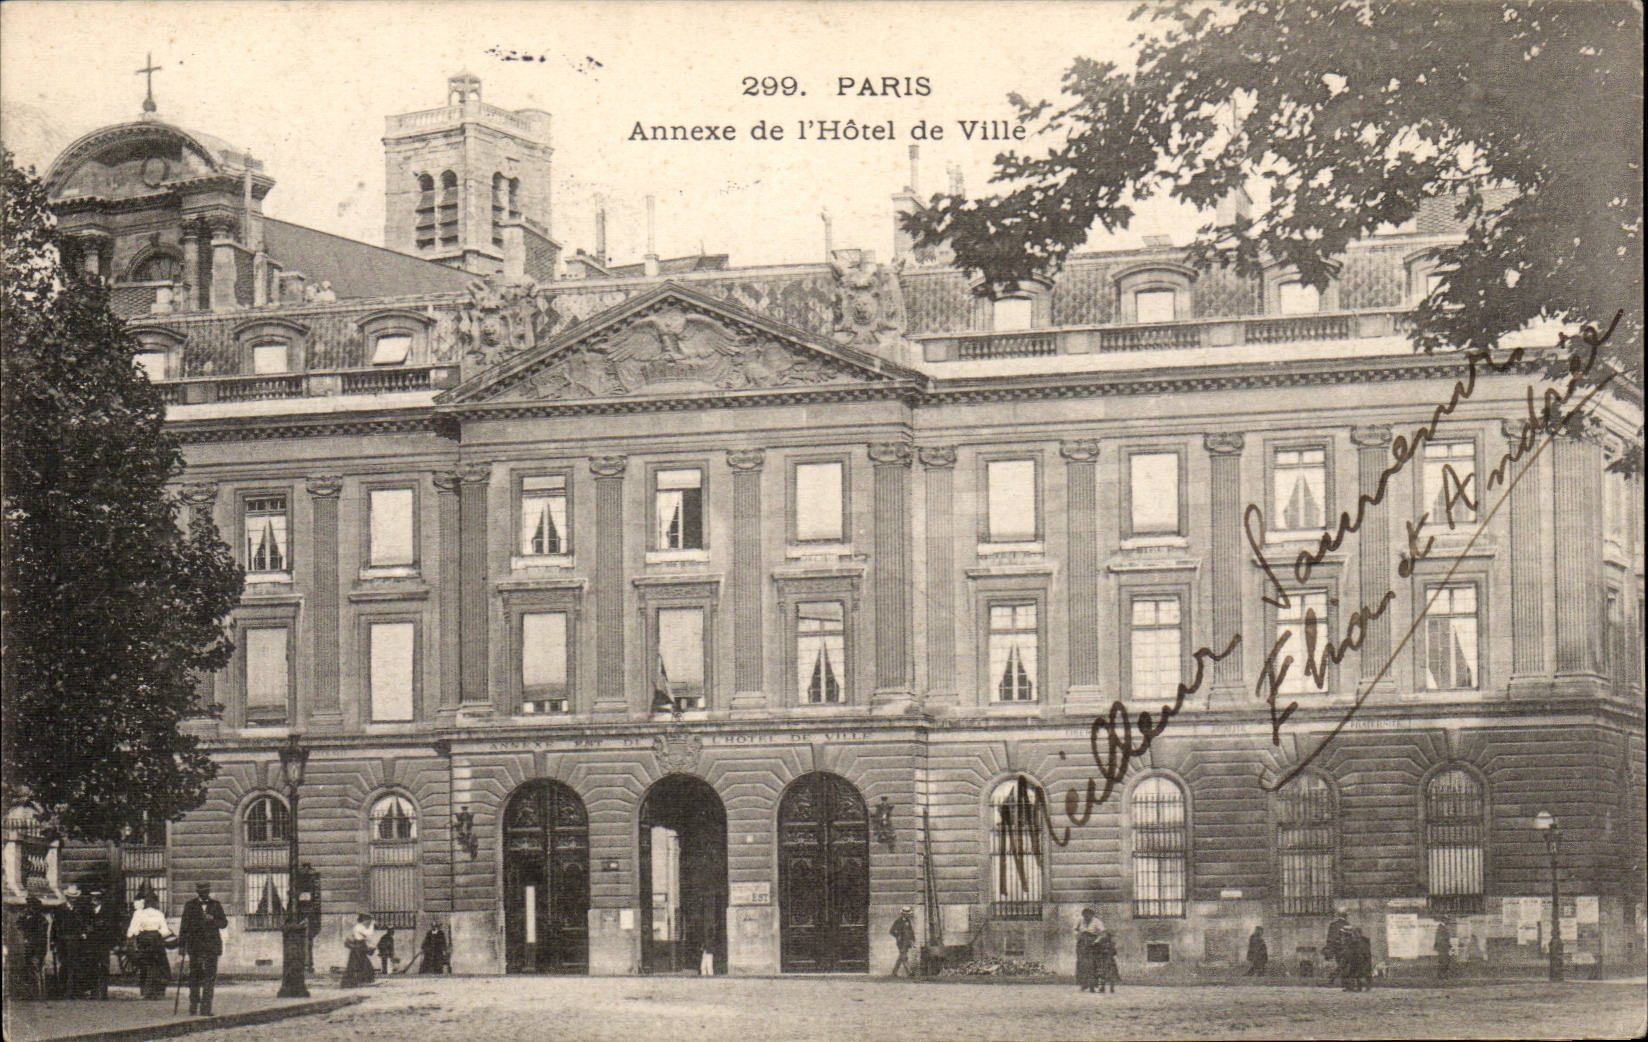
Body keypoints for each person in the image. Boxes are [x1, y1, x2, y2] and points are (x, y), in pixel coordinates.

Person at [179, 882, 228, 1016]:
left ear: (209, 891)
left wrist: (213, 919)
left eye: (206, 891)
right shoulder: (190, 905)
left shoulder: (216, 905)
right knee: (194, 977)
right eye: (201, 891)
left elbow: (224, 923)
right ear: (197, 892)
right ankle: (193, 1005)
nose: (204, 893)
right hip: (195, 947)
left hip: (212, 947)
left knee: (209, 978)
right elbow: (184, 927)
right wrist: (182, 946)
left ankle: (206, 1008)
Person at [125, 893, 174, 999]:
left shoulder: (139, 914)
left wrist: (130, 938)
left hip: (144, 941)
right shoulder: (159, 913)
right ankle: (158, 992)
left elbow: (133, 929)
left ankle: (145, 992)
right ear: (156, 903)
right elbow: (164, 930)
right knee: (159, 965)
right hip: (156, 941)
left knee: (145, 966)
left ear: (145, 903)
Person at [78, 887, 115, 1000]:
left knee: (104, 966)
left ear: (100, 899)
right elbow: (84, 923)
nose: (93, 900)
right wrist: (85, 931)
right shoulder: (87, 910)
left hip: (103, 943)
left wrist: (101, 927)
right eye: (92, 898)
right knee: (91, 966)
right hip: (91, 943)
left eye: (96, 898)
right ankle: (94, 992)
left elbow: (111, 926)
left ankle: (103, 993)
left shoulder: (107, 910)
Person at [53, 886, 84, 998]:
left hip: (75, 940)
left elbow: (82, 924)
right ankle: (63, 990)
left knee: (75, 965)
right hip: (63, 940)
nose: (73, 899)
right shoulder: (60, 909)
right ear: (67, 897)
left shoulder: (80, 909)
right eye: (71, 897)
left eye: (75, 897)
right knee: (64, 965)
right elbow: (55, 926)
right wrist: (53, 941)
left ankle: (74, 991)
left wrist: (82, 933)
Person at [341, 913, 376, 987]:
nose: (368, 922)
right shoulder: (359, 927)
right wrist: (372, 925)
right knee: (360, 963)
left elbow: (366, 936)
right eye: (367, 919)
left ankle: (357, 980)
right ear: (363, 920)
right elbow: (368, 934)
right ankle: (359, 980)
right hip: (359, 945)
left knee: (357, 963)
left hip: (359, 946)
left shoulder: (360, 926)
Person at [1074, 908, 1103, 992]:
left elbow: (1102, 933)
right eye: (1084, 916)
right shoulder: (1080, 920)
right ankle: (1083, 984)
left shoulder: (1097, 922)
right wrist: (1077, 936)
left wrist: (1096, 941)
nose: (1086, 917)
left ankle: (1093, 985)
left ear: (1092, 915)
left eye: (1088, 916)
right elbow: (1075, 930)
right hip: (1082, 945)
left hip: (1092, 945)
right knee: (1082, 964)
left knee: (1092, 964)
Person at [1324, 912, 1351, 986]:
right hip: (1343, 947)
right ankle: (1336, 978)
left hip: (1334, 948)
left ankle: (1335, 978)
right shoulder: (1346, 924)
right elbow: (1349, 937)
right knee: (1344, 964)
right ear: (1345, 915)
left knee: (1341, 964)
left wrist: (1329, 947)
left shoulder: (1333, 924)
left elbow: (1329, 938)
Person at [889, 906, 917, 978]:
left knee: (901, 957)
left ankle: (894, 972)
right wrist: (897, 936)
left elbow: (911, 931)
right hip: (901, 942)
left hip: (907, 942)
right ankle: (909, 972)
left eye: (908, 914)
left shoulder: (908, 921)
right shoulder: (898, 921)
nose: (908, 915)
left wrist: (913, 940)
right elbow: (891, 931)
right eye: (906, 914)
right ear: (903, 914)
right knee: (904, 956)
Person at [1094, 929, 1120, 994]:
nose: (1109, 937)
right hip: (1105, 960)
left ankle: (1111, 988)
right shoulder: (1102, 942)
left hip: (1108, 960)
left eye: (1109, 936)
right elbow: (1097, 949)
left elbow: (1114, 952)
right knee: (1103, 974)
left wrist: (1108, 951)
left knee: (1109, 975)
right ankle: (1104, 988)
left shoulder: (1110, 943)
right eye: (1109, 936)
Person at [1433, 916, 1453, 981]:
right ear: (1444, 920)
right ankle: (1442, 976)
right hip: (1443, 948)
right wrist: (1446, 946)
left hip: (1444, 948)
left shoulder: (1442, 927)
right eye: (1447, 920)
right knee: (1444, 962)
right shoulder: (1441, 928)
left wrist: (1449, 945)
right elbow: (1440, 939)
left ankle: (1441, 976)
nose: (1448, 921)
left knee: (1444, 961)